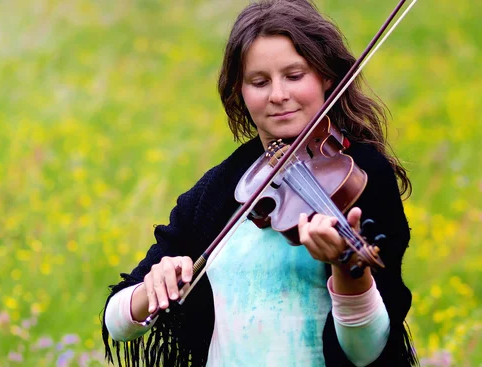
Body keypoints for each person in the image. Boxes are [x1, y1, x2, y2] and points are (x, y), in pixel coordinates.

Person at [101, 0, 418, 366]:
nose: (278, 95)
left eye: (295, 75)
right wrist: (151, 289)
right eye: (259, 81)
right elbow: (117, 322)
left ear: (326, 77)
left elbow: (367, 352)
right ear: (240, 90)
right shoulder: (222, 188)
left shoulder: (362, 176)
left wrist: (348, 270)